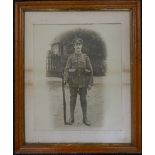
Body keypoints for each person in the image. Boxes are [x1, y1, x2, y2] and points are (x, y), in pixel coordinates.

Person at [64, 38, 93, 126]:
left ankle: (85, 118)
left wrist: (90, 83)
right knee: (72, 100)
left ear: (81, 46)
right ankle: (71, 118)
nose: (78, 47)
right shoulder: (70, 57)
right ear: (74, 46)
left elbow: (91, 70)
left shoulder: (85, 57)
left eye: (79, 45)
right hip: (73, 82)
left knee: (83, 100)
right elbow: (66, 69)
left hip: (83, 82)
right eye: (76, 45)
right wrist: (65, 79)